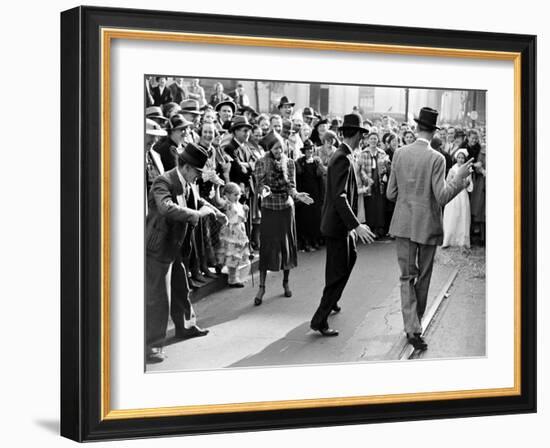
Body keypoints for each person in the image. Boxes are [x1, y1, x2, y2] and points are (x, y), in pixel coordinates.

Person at [386, 107, 473, 351]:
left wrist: (408, 200)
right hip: (427, 226)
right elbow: (443, 196)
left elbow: (390, 193)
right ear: (434, 131)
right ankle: (416, 326)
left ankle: (411, 326)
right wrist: (460, 179)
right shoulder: (437, 158)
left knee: (406, 277)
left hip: (403, 224)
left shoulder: (399, 153)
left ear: (416, 128)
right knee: (422, 277)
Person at [145, 143, 228, 364]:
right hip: (159, 246)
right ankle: (152, 345)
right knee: (158, 298)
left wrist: (216, 212)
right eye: (197, 173)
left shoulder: (187, 181)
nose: (199, 178)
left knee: (181, 288)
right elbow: (166, 207)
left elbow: (196, 200)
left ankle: (186, 327)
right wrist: (198, 215)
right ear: (186, 167)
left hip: (177, 245)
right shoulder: (164, 181)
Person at [310, 114, 375, 337]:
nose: (363, 138)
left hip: (340, 225)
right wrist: (356, 226)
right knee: (337, 271)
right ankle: (320, 319)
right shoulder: (342, 158)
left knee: (350, 259)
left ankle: (333, 300)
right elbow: (340, 196)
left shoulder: (345, 155)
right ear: (357, 134)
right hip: (338, 225)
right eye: (362, 134)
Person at [253, 132, 314, 306]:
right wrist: (263, 190)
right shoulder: (261, 163)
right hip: (269, 207)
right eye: (275, 148)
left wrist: (297, 195)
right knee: (267, 246)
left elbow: (291, 186)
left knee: (286, 245)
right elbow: (258, 186)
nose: (279, 150)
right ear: (269, 149)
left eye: (281, 147)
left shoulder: (289, 163)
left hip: (286, 208)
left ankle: (286, 282)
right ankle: (262, 286)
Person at [214, 182, 251, 287]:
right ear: (228, 194)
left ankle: (233, 276)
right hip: (230, 232)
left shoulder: (239, 205)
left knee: (236, 256)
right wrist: (217, 188)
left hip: (239, 233)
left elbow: (244, 219)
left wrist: (246, 212)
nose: (238, 197)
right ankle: (232, 279)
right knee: (232, 255)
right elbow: (218, 202)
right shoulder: (227, 203)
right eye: (235, 194)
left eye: (239, 194)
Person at [357, 132, 391, 238]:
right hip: (368, 181)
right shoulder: (363, 153)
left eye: (375, 139)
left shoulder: (382, 153)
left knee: (380, 205)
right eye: (371, 139)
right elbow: (360, 169)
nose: (373, 141)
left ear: (378, 141)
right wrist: (367, 179)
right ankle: (370, 228)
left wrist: (384, 171)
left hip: (379, 181)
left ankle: (379, 228)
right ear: (368, 140)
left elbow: (386, 166)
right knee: (370, 205)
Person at [295, 139, 325, 251]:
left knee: (316, 218)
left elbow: (321, 179)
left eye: (311, 149)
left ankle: (315, 240)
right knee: (305, 219)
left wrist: (322, 196)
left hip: (315, 194)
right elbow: (298, 178)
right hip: (304, 194)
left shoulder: (317, 162)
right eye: (307, 149)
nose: (309, 151)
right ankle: (306, 242)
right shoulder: (299, 162)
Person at [442, 149, 474, 248]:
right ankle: (448, 239)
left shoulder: (467, 169)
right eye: (459, 158)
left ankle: (462, 240)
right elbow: (447, 182)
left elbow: (469, 184)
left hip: (462, 194)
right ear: (456, 158)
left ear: (465, 159)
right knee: (451, 215)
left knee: (462, 215)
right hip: (453, 193)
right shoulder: (452, 169)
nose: (460, 160)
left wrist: (466, 183)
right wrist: (452, 179)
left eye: (462, 158)